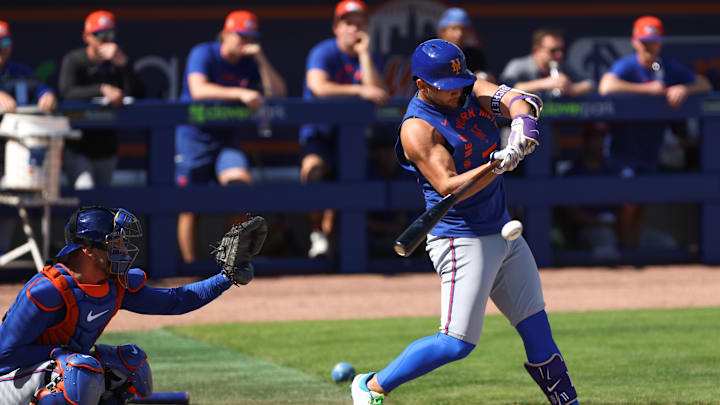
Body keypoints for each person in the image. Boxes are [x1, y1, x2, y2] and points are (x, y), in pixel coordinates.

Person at [350, 39, 579, 405]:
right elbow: (448, 187)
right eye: (447, 88)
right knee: (455, 343)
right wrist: (498, 163)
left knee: (538, 330)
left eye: (460, 84)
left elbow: (520, 100)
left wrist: (521, 123)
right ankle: (371, 387)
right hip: (460, 239)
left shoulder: (466, 89)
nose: (457, 93)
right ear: (422, 85)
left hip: (503, 232)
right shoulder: (418, 128)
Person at [0, 206, 266, 404]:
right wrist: (60, 354)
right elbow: (4, 355)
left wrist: (226, 277)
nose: (124, 251)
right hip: (9, 383)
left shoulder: (114, 285)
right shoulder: (47, 291)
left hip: (51, 371)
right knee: (78, 371)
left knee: (127, 365)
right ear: (88, 250)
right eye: (114, 243)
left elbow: (177, 300)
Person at [175, 10, 286, 263]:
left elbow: (278, 93)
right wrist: (240, 93)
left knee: (240, 191)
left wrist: (260, 59)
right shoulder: (204, 52)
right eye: (240, 36)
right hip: (194, 137)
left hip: (226, 139)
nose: (245, 42)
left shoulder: (250, 62)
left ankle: (230, 265)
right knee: (189, 204)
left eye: (250, 37)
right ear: (225, 35)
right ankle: (190, 268)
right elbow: (198, 89)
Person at [300, 0, 389, 258]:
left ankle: (349, 236)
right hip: (320, 134)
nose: (354, 28)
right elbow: (319, 87)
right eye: (349, 23)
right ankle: (317, 233)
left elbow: (379, 93)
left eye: (360, 23)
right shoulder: (323, 51)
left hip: (354, 138)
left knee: (372, 168)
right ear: (337, 27)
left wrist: (363, 55)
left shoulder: (369, 56)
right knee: (313, 169)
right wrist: (359, 90)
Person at [598, 15, 711, 174]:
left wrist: (684, 89)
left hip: (652, 152)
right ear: (635, 42)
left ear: (660, 42)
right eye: (644, 42)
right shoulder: (628, 65)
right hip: (623, 152)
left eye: (653, 42)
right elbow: (606, 86)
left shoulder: (667, 66)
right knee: (628, 192)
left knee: (650, 193)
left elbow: (705, 84)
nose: (649, 47)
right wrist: (646, 89)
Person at [58, 10, 145, 190]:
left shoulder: (117, 62)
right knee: (87, 194)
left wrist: (124, 64)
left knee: (103, 204)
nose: (105, 39)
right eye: (99, 34)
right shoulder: (74, 60)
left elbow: (139, 93)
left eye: (109, 34)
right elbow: (66, 92)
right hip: (79, 147)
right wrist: (101, 89)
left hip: (107, 148)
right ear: (87, 37)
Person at [500, 27, 593, 97]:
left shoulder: (563, 67)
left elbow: (589, 84)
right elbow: (504, 88)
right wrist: (544, 84)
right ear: (536, 50)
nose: (559, 54)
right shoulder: (518, 65)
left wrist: (572, 88)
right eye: (553, 50)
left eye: (561, 50)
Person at [0, 20, 58, 114]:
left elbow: (40, 88)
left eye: (5, 42)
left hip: (18, 125)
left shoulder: (20, 70)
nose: (1, 48)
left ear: (11, 44)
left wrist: (47, 94)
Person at [436, 7, 495, 82]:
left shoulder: (475, 55)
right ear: (442, 32)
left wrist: (485, 78)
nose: (460, 34)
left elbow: (489, 79)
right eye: (454, 28)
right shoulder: (431, 54)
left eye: (464, 29)